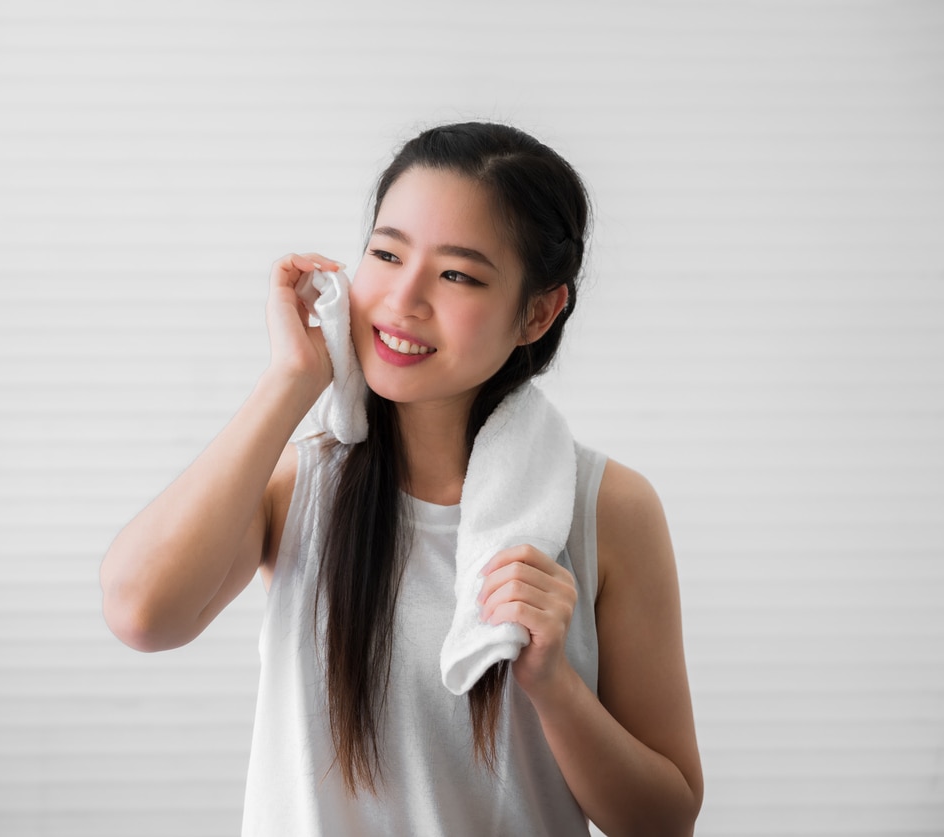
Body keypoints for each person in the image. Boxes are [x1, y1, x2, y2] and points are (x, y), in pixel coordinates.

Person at [100, 122, 703, 836]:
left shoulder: (606, 508)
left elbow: (665, 818)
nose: (403, 298)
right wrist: (291, 379)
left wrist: (555, 686)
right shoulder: (299, 486)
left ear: (538, 312)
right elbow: (142, 613)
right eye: (386, 253)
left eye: (458, 274)